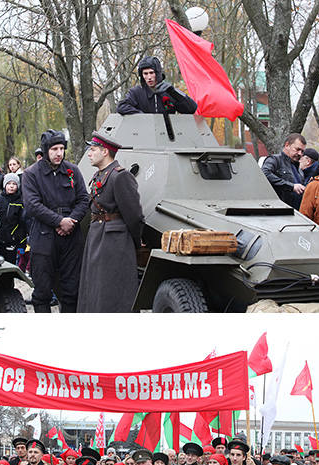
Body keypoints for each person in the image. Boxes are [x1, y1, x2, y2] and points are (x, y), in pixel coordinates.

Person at [22, 128, 89, 312]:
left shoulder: (72, 171)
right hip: (43, 237)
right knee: (42, 290)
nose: (59, 153)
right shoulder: (31, 174)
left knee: (71, 290)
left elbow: (84, 199)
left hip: (71, 238)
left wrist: (71, 220)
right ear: (45, 151)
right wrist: (59, 221)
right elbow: (32, 205)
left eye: (61, 149)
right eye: (54, 149)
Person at [77, 130, 144, 313]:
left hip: (114, 241)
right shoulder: (100, 175)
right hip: (97, 237)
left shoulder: (120, 176)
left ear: (104, 151)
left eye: (93, 150)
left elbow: (134, 215)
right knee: (95, 289)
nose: (89, 154)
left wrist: (136, 242)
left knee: (112, 291)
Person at [117, 56, 197, 116]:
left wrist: (174, 93)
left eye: (151, 73)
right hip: (144, 133)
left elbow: (191, 109)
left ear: (157, 73)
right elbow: (122, 107)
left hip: (168, 135)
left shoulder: (169, 92)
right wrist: (142, 116)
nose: (149, 77)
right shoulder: (136, 92)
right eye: (145, 74)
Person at [0, 173, 27, 264]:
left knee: (9, 268)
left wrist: (22, 244)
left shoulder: (20, 203)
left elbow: (22, 224)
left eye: (14, 184)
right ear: (4, 185)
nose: (11, 186)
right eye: (9, 183)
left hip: (12, 241)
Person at [262, 133, 306, 208]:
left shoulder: (299, 169)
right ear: (287, 145)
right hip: (279, 211)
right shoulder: (275, 160)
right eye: (297, 149)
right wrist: (291, 186)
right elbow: (264, 174)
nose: (300, 154)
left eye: (302, 151)